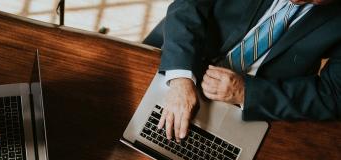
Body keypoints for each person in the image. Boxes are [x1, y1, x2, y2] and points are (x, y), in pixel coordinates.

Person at [143, 0, 341, 142]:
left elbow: (334, 94)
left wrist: (246, 93)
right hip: (178, 59)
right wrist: (181, 79)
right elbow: (188, 5)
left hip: (255, 103)